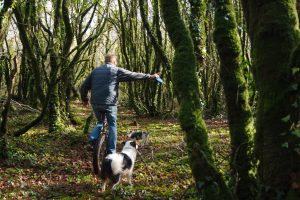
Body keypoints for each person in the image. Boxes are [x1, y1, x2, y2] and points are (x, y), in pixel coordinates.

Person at [80, 54, 158, 154]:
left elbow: (83, 86)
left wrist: (85, 99)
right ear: (114, 61)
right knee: (112, 124)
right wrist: (149, 76)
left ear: (105, 61)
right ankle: (111, 152)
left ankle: (91, 140)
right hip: (110, 103)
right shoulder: (115, 70)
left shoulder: (95, 71)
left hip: (96, 102)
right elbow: (133, 75)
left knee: (100, 122)